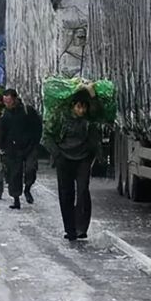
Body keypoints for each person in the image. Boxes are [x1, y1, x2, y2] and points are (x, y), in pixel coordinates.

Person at [48, 83, 102, 241]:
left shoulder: (88, 118)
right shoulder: (60, 117)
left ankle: (81, 228)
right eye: (79, 107)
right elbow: (47, 136)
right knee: (66, 194)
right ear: (72, 106)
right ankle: (70, 229)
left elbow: (98, 112)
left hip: (83, 158)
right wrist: (57, 154)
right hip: (64, 158)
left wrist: (92, 94)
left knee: (83, 190)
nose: (81, 111)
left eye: (84, 107)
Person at [0, 89, 43, 210]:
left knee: (30, 169)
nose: (7, 104)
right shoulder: (4, 114)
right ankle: (16, 199)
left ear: (15, 99)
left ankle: (27, 188)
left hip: (29, 146)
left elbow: (38, 126)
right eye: (5, 102)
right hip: (12, 148)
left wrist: (35, 142)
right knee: (14, 175)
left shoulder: (28, 111)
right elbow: (1, 132)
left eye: (9, 101)